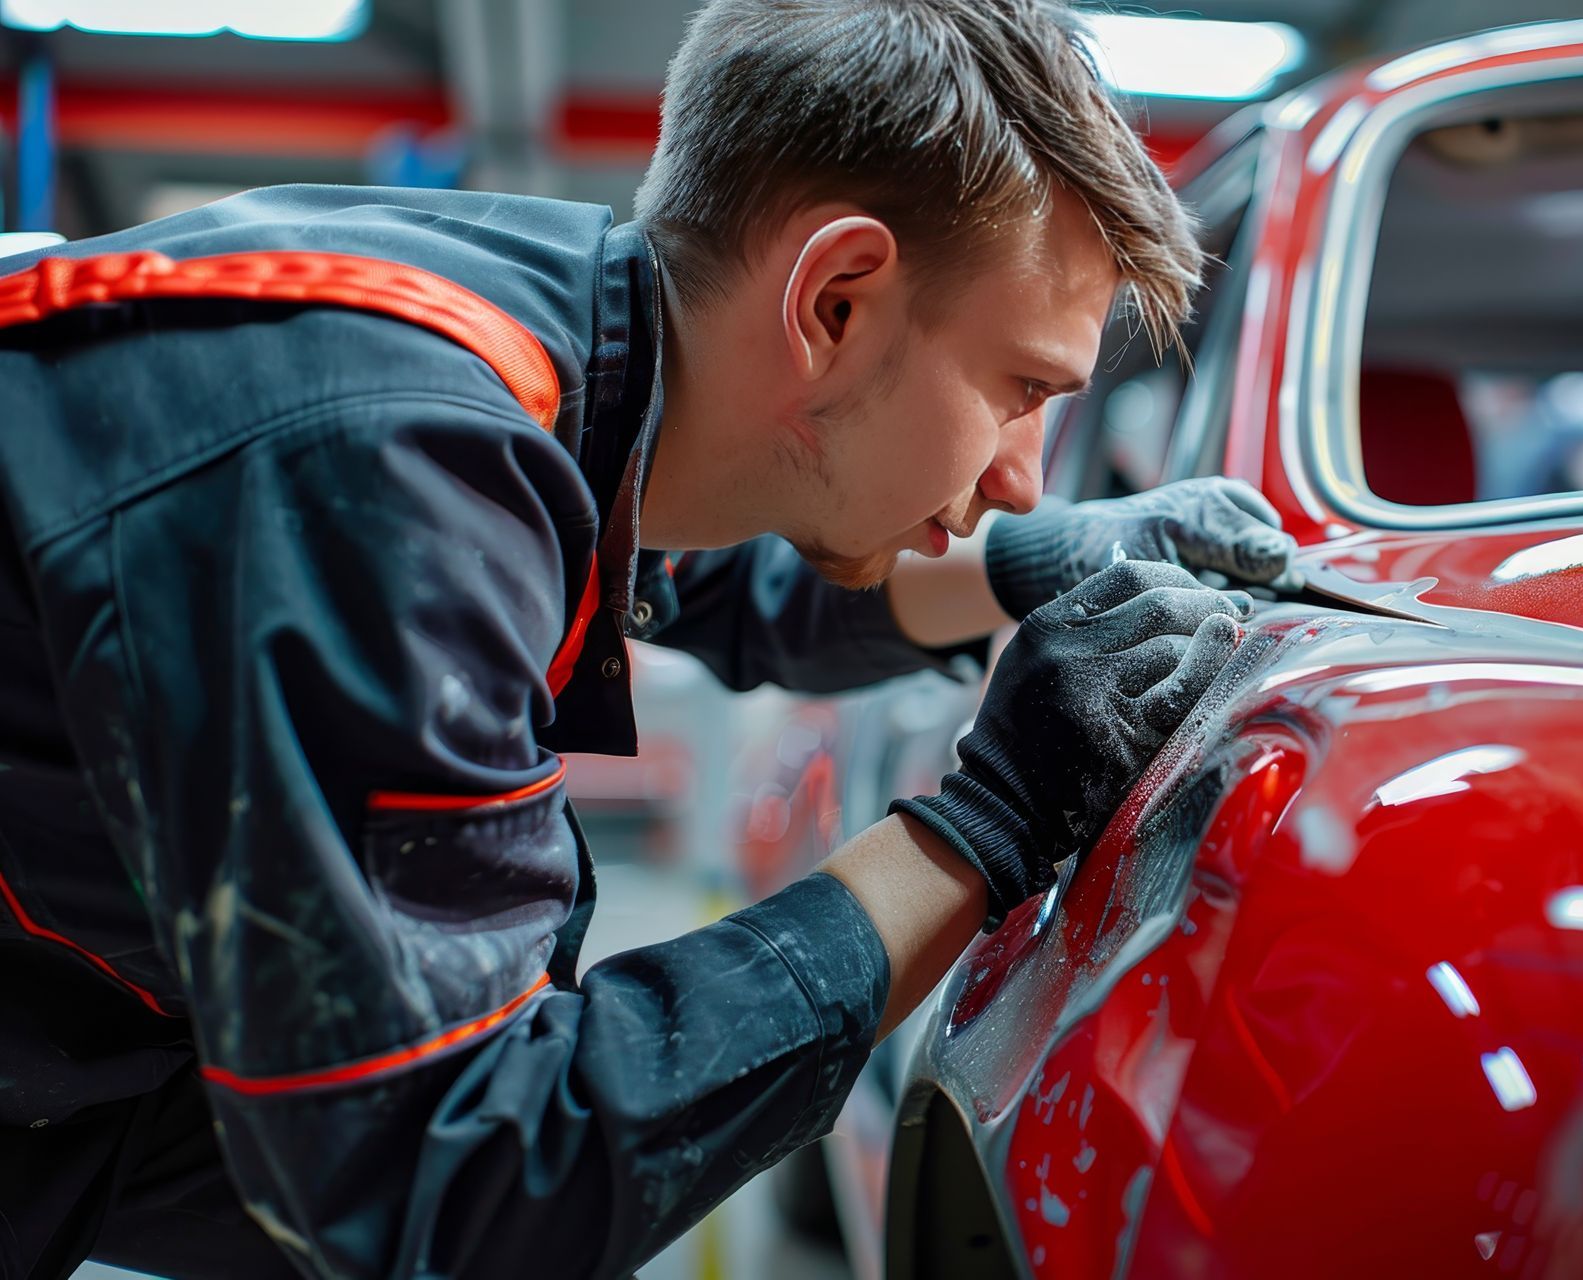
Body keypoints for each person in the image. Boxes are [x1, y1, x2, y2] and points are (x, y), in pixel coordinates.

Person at [0, 1, 1296, 1275]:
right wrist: (988, 826)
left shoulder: (529, 341)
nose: (1025, 476)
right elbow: (454, 1190)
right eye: (1022, 391)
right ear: (837, 301)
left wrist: (1030, 566)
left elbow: (710, 585)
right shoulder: (386, 460)